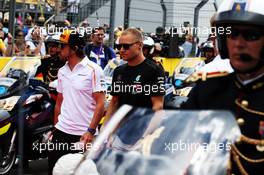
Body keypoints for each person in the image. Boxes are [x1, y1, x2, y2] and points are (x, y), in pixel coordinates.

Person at [182, 0, 264, 174]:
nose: (239, 44)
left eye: (250, 35)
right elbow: (183, 142)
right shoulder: (207, 89)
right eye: (232, 34)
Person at [48, 30, 106, 175]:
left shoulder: (94, 70)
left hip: (83, 135)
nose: (57, 50)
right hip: (61, 133)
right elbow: (59, 102)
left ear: (74, 48)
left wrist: (90, 131)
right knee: (54, 171)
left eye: (62, 46)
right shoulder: (62, 71)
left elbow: (101, 104)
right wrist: (56, 127)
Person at [104, 28, 165, 125]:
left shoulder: (154, 70)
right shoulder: (118, 71)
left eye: (126, 46)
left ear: (140, 45)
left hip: (142, 130)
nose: (121, 50)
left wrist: (147, 135)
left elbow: (158, 107)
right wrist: (105, 129)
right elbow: (114, 101)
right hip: (120, 132)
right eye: (119, 46)